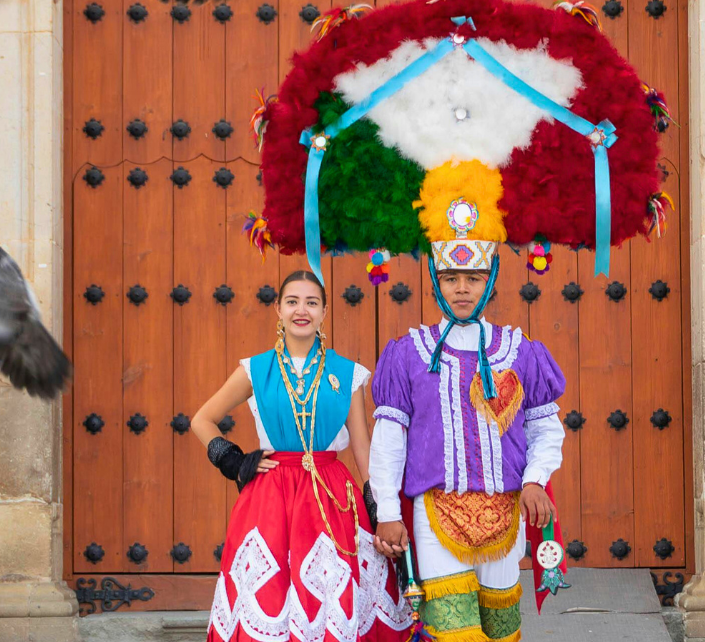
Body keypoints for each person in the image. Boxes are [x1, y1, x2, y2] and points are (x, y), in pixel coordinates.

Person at [368, 187, 568, 642]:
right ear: (436, 281)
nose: (462, 287)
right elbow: (388, 440)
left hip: (507, 511)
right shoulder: (409, 354)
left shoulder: (521, 351)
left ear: (490, 279)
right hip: (436, 512)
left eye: (473, 277)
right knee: (453, 634)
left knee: (502, 632)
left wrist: (536, 479)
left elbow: (544, 427)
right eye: (451, 276)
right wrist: (385, 509)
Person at [191, 270, 412, 642]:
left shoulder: (348, 373)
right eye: (292, 302)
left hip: (333, 498)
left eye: (311, 303)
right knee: (271, 598)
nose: (301, 310)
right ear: (278, 309)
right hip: (271, 495)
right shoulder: (255, 369)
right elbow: (202, 420)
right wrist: (234, 461)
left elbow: (363, 454)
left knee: (329, 600)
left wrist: (381, 514)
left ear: (324, 311)